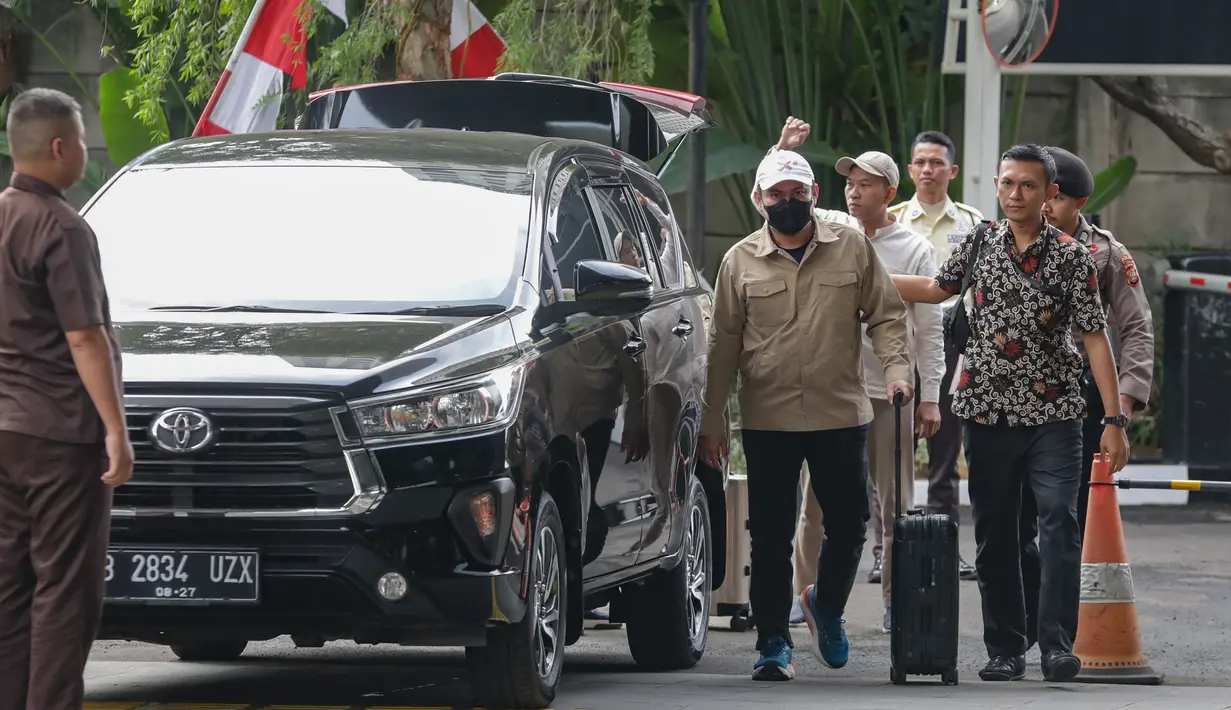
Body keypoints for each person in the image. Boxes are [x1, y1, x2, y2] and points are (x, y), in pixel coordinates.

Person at [888, 144, 1130, 683]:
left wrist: (1114, 423)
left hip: (1055, 413)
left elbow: (1095, 339)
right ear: (996, 186)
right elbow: (936, 288)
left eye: (1028, 185)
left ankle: (1057, 647)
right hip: (986, 412)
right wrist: (864, 277)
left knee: (1059, 521)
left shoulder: (1073, 257)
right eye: (1007, 183)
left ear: (1049, 194)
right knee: (995, 534)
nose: (1015, 194)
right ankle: (1005, 649)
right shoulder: (979, 242)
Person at [698, 149, 913, 681]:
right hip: (768, 418)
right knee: (770, 537)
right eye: (777, 195)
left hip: (840, 412)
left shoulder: (852, 248)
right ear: (760, 200)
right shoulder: (739, 262)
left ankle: (826, 606)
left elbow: (886, 315)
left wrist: (896, 371)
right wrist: (712, 420)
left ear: (814, 195)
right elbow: (722, 346)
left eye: (798, 193)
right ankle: (773, 642)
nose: (788, 202)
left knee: (850, 526)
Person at [756, 127, 946, 634]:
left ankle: (897, 600)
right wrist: (783, 151)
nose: (854, 193)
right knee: (814, 504)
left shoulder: (914, 248)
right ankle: (805, 596)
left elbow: (929, 330)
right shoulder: (830, 228)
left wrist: (929, 396)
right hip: (833, 391)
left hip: (889, 394)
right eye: (849, 183)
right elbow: (774, 202)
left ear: (890, 192)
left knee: (894, 503)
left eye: (866, 184)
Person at [0, 87, 133, 710]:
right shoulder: (61, 226)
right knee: (65, 589)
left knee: (10, 585)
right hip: (59, 434)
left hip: (6, 431)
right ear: (59, 148)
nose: (84, 150)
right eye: (80, 140)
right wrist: (116, 429)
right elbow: (85, 336)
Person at [1018, 145, 1155, 649]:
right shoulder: (1008, 243)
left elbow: (1136, 328)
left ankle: (1058, 630)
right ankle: (1027, 617)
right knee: (1015, 520)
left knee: (1066, 517)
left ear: (1077, 203)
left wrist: (1123, 406)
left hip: (1081, 398)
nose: (1045, 205)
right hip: (1016, 394)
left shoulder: (1106, 254)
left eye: (1055, 197)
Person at [886, 130, 983, 583]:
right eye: (921, 162)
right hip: (896, 341)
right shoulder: (891, 220)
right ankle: (887, 552)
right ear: (910, 170)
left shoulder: (973, 223)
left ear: (953, 171)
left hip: (951, 342)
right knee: (892, 452)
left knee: (946, 452)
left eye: (937, 163)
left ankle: (945, 551)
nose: (928, 170)